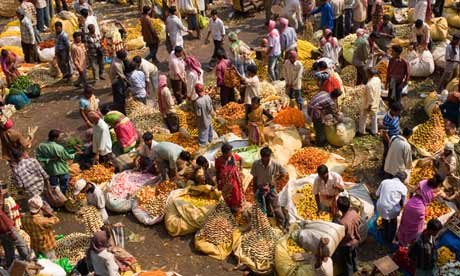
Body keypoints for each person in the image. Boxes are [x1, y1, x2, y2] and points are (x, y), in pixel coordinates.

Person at [398, 174, 449, 246]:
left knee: (405, 222)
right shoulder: (438, 190)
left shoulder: (424, 181)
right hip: (420, 209)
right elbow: (448, 198)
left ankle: (401, 240)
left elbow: (413, 189)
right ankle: (410, 243)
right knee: (415, 228)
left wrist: (409, 185)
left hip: (411, 204)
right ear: (440, 183)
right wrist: (455, 194)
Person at [251, 147, 288, 229]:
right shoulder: (256, 164)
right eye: (265, 157)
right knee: (263, 207)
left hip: (270, 187)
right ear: (262, 156)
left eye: (269, 157)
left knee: (276, 206)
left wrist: (276, 180)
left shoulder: (275, 163)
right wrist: (254, 189)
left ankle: (282, 222)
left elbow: (284, 172)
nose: (267, 159)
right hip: (260, 188)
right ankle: (267, 221)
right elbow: (255, 177)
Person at [36, 129, 75, 195]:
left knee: (54, 187)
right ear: (55, 138)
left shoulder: (41, 146)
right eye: (59, 137)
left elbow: (39, 158)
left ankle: (56, 199)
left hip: (51, 170)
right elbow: (66, 157)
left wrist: (49, 159)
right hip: (62, 169)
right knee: (64, 186)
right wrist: (74, 154)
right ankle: (63, 198)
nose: (60, 138)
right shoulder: (59, 147)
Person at [375, 171, 408, 245]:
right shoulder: (403, 188)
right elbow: (404, 203)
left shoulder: (384, 181)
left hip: (381, 206)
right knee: (393, 222)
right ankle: (389, 238)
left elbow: (377, 194)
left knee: (384, 219)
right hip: (393, 210)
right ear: (403, 180)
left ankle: (384, 233)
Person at [335, 196, 361, 276]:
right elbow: (359, 222)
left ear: (339, 208)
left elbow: (342, 236)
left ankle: (349, 274)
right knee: (354, 256)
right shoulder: (354, 213)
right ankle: (356, 268)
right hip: (356, 240)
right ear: (349, 205)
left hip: (347, 245)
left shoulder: (342, 223)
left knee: (347, 262)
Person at [215, 143, 243, 212]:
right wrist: (218, 182)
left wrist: (241, 170)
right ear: (224, 153)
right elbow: (217, 171)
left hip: (234, 179)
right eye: (229, 152)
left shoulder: (233, 157)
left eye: (231, 151)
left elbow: (241, 159)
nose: (231, 153)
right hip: (225, 182)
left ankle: (235, 206)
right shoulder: (218, 160)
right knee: (227, 196)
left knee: (236, 193)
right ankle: (230, 207)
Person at [358, 68, 381, 136]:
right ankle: (374, 132)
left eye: (367, 73)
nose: (366, 75)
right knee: (374, 117)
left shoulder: (369, 85)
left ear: (369, 74)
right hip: (376, 101)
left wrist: (369, 107)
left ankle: (361, 131)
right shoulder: (378, 79)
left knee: (363, 117)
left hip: (368, 104)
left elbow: (370, 98)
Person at [381, 102, 402, 171]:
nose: (399, 114)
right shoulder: (386, 119)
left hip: (396, 136)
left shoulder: (397, 115)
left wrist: (399, 131)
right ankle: (383, 169)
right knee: (387, 153)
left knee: (394, 153)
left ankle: (391, 167)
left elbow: (398, 123)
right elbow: (385, 134)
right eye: (398, 112)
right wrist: (389, 142)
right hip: (389, 139)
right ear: (393, 111)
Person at [110, 50, 128, 114]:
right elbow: (122, 76)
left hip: (117, 78)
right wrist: (128, 83)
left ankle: (117, 107)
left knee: (117, 96)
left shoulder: (116, 57)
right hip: (116, 81)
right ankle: (121, 111)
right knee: (119, 95)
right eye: (125, 57)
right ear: (121, 58)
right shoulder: (116, 64)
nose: (126, 58)